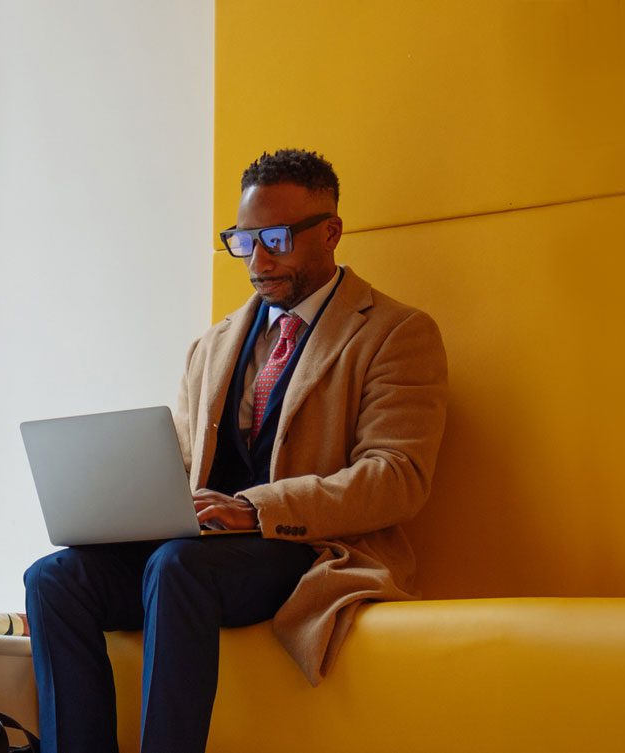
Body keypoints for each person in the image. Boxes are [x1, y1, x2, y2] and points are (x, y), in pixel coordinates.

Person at [23, 149, 449, 753]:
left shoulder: (395, 334)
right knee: (54, 579)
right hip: (200, 550)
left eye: (274, 238)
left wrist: (255, 509)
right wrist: (121, 508)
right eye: (243, 240)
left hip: (307, 549)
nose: (258, 258)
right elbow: (177, 457)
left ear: (330, 233)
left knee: (176, 566)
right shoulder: (213, 344)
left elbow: (396, 477)